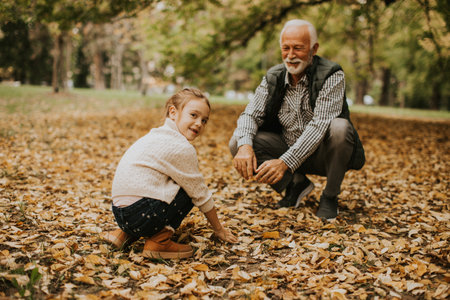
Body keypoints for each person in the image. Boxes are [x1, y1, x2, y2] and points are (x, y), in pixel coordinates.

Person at [229, 19, 365, 220]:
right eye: (286, 48)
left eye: (298, 48)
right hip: (285, 145)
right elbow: (250, 114)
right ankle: (295, 184)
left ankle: (329, 196)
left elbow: (319, 126)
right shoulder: (273, 76)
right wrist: (245, 147)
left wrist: (285, 162)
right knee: (237, 142)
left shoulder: (332, 74)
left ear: (313, 49)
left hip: (323, 154)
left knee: (340, 127)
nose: (290, 55)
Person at [102, 88, 237, 259]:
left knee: (161, 185)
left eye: (204, 120)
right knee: (190, 189)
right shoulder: (181, 147)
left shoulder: (152, 136)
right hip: (142, 214)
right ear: (173, 112)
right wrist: (219, 229)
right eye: (193, 115)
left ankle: (123, 234)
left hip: (119, 213)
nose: (199, 124)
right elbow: (200, 194)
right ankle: (159, 241)